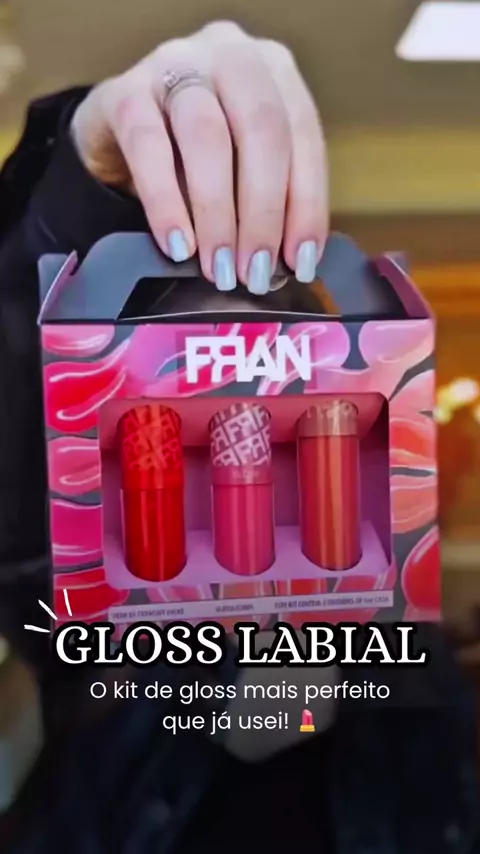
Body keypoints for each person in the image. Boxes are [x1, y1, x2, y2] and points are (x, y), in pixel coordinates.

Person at [0, 20, 478, 854]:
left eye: (263, 399)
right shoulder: (96, 627)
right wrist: (81, 188)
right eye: (184, 402)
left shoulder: (416, 674)